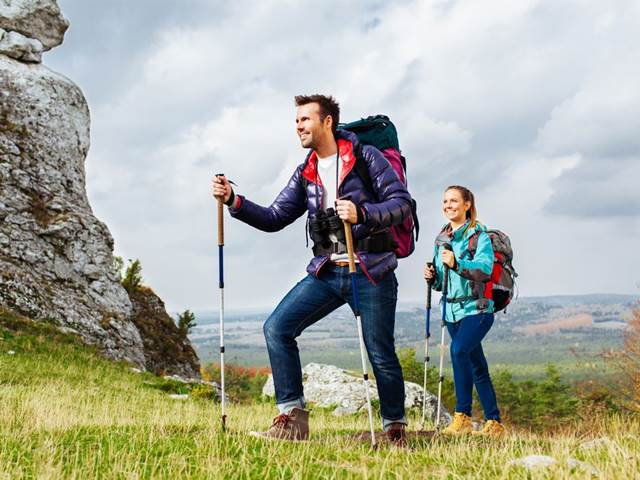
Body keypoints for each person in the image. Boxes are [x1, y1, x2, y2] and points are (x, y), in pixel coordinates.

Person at [212, 94, 412, 445]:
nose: (299, 126)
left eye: (305, 119)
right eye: (296, 121)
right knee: (277, 328)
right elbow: (275, 217)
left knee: (379, 350)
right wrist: (234, 201)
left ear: (327, 122)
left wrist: (362, 214)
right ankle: (292, 419)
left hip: (371, 271)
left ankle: (394, 428)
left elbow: (401, 204)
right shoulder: (306, 171)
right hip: (327, 272)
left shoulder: (366, 157)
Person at [423, 185, 505, 437]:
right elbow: (441, 283)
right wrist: (432, 277)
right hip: (451, 311)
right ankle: (495, 423)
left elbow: (484, 270)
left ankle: (463, 416)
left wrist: (456, 263)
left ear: (467, 205)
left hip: (478, 309)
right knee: (477, 365)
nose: (448, 205)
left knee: (458, 351)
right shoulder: (442, 239)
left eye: (454, 200)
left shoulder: (479, 237)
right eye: (445, 201)